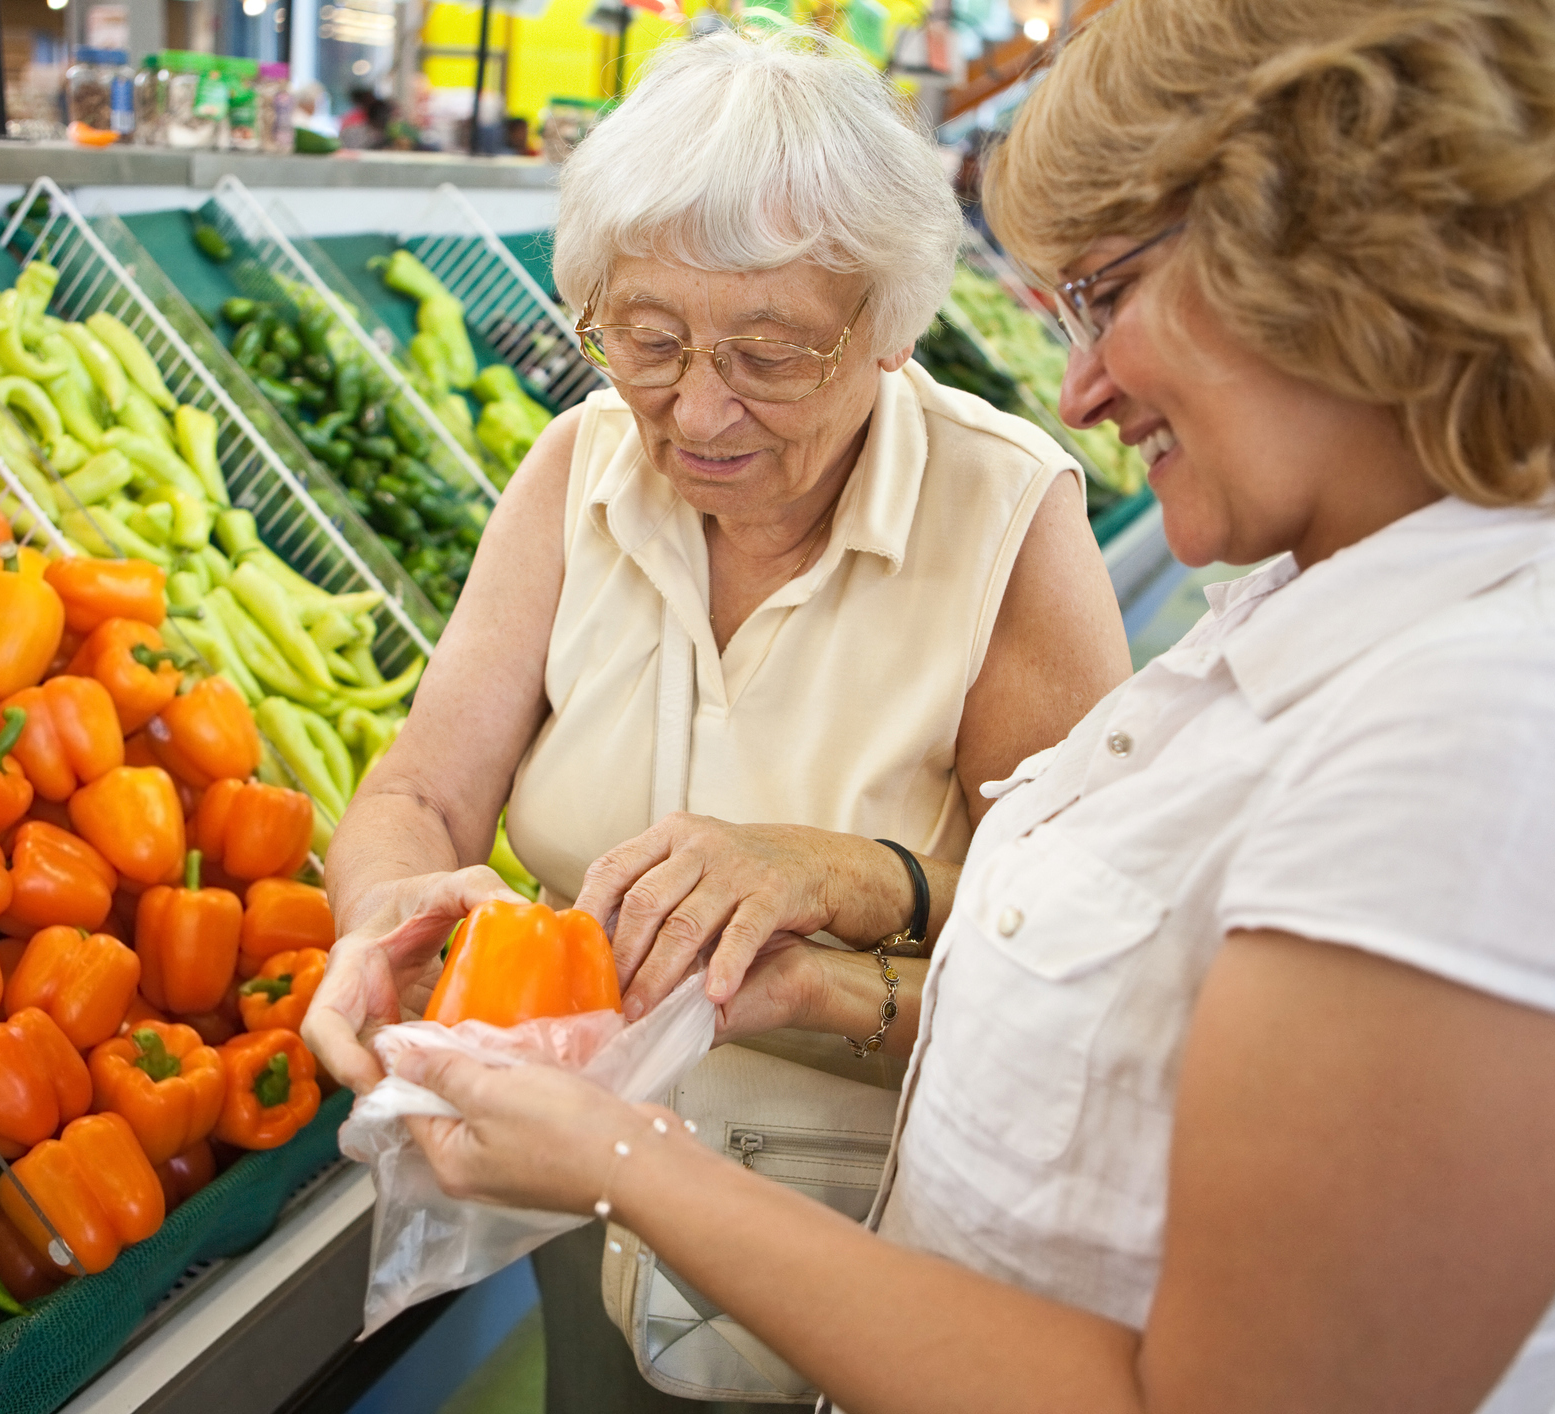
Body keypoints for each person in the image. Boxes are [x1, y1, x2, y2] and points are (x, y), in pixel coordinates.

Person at [344, 2, 1555, 1412]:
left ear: (1332, 260)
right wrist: (815, 984)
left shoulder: (1510, 733)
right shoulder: (1318, 627)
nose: (1080, 385)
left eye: (1106, 291)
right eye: (647, 338)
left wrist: (628, 1157)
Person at [304, 25, 1129, 1413]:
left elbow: (1093, 960)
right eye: (645, 338)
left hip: (882, 1242)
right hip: (575, 1213)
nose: (694, 407)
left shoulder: (1004, 516)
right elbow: (422, 796)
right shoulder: (575, 469)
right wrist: (383, 910)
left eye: (771, 353)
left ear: (888, 327)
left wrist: (852, 888)